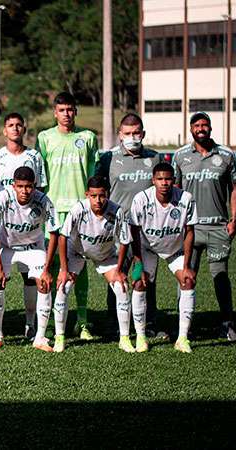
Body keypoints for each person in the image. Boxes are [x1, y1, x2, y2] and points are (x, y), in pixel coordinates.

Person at [172, 112, 236, 341]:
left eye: (205, 125)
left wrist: (234, 220)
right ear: (191, 129)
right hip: (190, 229)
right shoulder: (180, 156)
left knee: (220, 275)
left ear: (210, 128)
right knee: (186, 276)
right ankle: (185, 326)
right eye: (197, 125)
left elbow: (235, 189)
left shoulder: (226, 154)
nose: (201, 128)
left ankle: (227, 323)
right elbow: (174, 191)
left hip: (218, 227)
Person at [95, 113, 164, 338]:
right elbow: (99, 191)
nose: (132, 137)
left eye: (136, 133)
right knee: (116, 276)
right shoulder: (108, 159)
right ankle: (114, 324)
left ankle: (149, 323)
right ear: (119, 135)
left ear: (143, 134)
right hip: (117, 228)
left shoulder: (154, 158)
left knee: (146, 276)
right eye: (127, 134)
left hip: (146, 229)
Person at [35, 91, 98, 339]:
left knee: (79, 267)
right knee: (50, 265)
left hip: (80, 210)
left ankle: (82, 322)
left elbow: (93, 174)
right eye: (62, 110)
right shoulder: (44, 138)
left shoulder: (88, 137)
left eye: (70, 109)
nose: (66, 114)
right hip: (52, 211)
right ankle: (50, 320)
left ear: (76, 111)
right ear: (55, 112)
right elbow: (40, 177)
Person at [52, 176, 132, 353]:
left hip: (103, 255)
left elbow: (125, 241)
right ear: (87, 194)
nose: (98, 200)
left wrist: (119, 270)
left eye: (102, 196)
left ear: (107, 194)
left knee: (122, 286)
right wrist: (64, 270)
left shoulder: (117, 211)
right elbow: (63, 238)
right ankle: (60, 337)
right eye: (94, 196)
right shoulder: (78, 210)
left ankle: (125, 338)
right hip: (77, 251)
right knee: (63, 286)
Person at [0, 112, 47, 340]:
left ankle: (30, 324)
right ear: (4, 130)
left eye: (19, 125)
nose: (15, 129)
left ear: (24, 129)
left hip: (29, 227)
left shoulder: (34, 156)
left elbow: (39, 189)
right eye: (10, 125)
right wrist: (4, 210)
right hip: (6, 227)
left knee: (30, 278)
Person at [0, 167, 59, 351]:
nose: (24, 191)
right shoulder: (3, 198)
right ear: (13, 185)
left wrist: (47, 269)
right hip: (8, 247)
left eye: (28, 187)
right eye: (20, 186)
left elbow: (53, 233)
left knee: (43, 283)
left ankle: (39, 337)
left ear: (34, 186)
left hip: (33, 248)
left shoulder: (43, 201)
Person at [129, 163, 197, 353]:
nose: (164, 183)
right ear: (153, 180)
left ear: (173, 180)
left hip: (174, 248)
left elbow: (190, 231)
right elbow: (133, 231)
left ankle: (182, 339)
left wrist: (186, 264)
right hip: (147, 248)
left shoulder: (186, 199)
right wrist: (138, 262)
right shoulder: (141, 199)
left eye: (168, 179)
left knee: (188, 280)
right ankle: (141, 337)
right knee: (139, 282)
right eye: (160, 179)